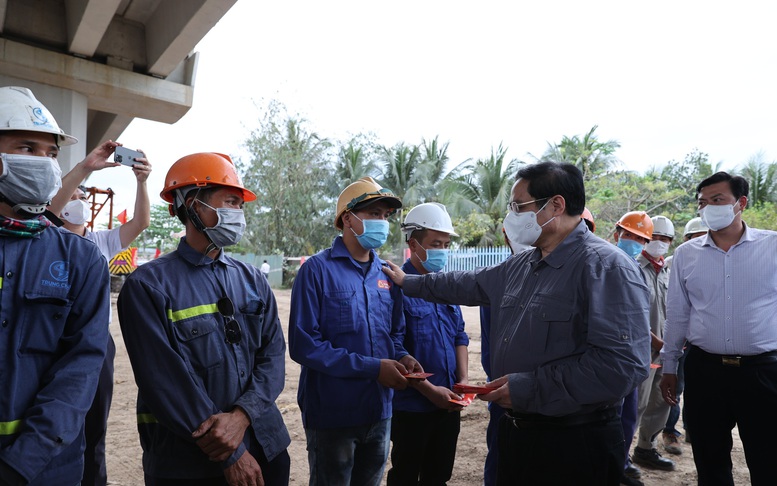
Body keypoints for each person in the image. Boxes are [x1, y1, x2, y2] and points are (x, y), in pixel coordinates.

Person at [382, 161, 651, 485]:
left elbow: (621, 366)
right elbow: (466, 284)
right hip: (518, 432)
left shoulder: (607, 268)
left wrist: (528, 389)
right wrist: (408, 282)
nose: (510, 216)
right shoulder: (522, 264)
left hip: (574, 440)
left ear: (556, 205)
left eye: (518, 206)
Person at [117, 152, 291, 485]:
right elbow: (165, 381)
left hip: (266, 443)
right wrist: (230, 452)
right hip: (188, 459)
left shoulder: (253, 280)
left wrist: (241, 416)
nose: (238, 214)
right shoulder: (147, 286)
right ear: (195, 206)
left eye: (241, 206)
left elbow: (271, 358)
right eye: (230, 202)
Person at [0, 86, 110, 485]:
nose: (43, 163)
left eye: (50, 154)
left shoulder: (81, 259)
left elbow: (80, 367)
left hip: (47, 469)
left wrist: (20, 465)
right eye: (27, 148)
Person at [288, 176, 422, 486]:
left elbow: (394, 333)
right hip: (333, 414)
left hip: (380, 411)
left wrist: (402, 356)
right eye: (373, 213)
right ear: (348, 218)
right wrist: (374, 368)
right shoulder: (317, 270)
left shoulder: (388, 275)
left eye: (385, 216)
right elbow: (304, 344)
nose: (382, 222)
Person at [660, 171, 777, 485]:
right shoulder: (685, 256)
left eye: (717, 200)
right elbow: (678, 315)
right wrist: (668, 366)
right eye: (702, 202)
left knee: (769, 460)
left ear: (740, 203)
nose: (707, 207)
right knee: (710, 461)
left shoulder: (773, 247)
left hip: (763, 372)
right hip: (705, 370)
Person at [54, 151, 151, 486]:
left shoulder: (101, 243)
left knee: (95, 425)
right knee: (55, 421)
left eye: (84, 196)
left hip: (97, 344)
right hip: (53, 342)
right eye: (75, 195)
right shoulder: (46, 240)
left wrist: (141, 182)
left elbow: (140, 224)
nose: (79, 200)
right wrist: (83, 171)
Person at [387, 203, 469, 486]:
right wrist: (429, 390)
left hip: (448, 403)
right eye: (436, 244)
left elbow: (459, 335)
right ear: (414, 244)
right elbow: (394, 346)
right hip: (412, 407)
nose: (442, 250)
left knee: (439, 476)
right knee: (406, 475)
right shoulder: (397, 287)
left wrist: (464, 382)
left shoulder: (445, 286)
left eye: (446, 244)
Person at [629, 215, 677, 474]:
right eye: (654, 237)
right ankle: (622, 455)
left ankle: (646, 448)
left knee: (661, 401)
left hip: (668, 351)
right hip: (642, 350)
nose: (659, 243)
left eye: (665, 238)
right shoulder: (633, 267)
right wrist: (654, 339)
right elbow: (628, 313)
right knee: (637, 402)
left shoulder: (670, 271)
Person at [612, 211, 655, 486]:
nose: (634, 241)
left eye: (640, 238)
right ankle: (609, 468)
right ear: (617, 234)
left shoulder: (639, 271)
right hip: (609, 358)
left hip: (633, 359)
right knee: (609, 419)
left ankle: (619, 466)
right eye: (629, 235)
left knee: (628, 417)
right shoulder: (602, 263)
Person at [660, 216, 709, 456]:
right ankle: (670, 430)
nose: (700, 241)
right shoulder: (672, 263)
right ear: (686, 239)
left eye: (704, 236)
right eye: (694, 237)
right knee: (675, 387)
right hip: (678, 338)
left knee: (699, 388)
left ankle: (692, 428)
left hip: (702, 341)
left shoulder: (720, 267)